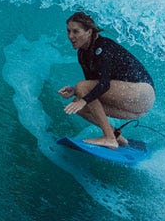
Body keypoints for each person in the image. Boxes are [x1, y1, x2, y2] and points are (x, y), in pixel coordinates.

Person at [58, 11, 155, 149]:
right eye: (68, 31)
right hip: (134, 103)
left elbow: (103, 85)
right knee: (78, 106)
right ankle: (116, 136)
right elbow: (94, 90)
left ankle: (109, 138)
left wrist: (81, 93)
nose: (70, 36)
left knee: (82, 89)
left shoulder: (104, 46)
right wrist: (75, 92)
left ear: (89, 32)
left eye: (75, 31)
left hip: (143, 92)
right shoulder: (82, 54)